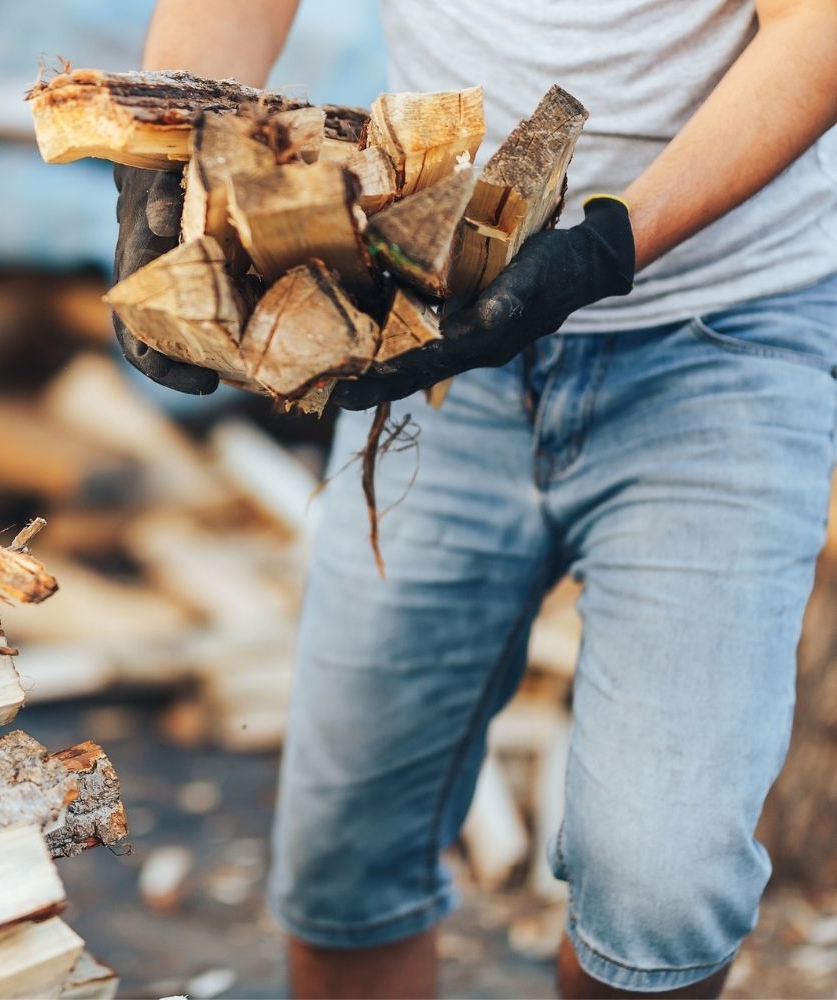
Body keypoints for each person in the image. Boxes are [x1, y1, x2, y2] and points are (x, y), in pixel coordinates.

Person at [112, 1, 837, 996]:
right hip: (436, 322)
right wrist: (170, 161)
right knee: (344, 865)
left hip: (721, 336)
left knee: (662, 893)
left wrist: (611, 244)